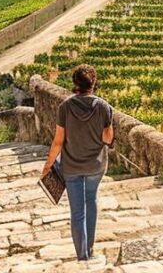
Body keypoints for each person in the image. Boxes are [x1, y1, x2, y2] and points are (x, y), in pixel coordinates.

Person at [41, 64, 114, 262]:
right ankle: (90, 249)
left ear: (75, 84)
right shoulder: (103, 107)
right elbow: (108, 138)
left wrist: (48, 166)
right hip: (95, 165)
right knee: (91, 202)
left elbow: (58, 141)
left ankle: (82, 255)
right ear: (94, 83)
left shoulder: (65, 107)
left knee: (77, 211)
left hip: (71, 167)